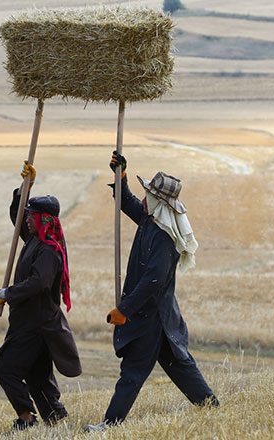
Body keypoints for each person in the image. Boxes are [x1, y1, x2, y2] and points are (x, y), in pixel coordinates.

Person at [85, 152, 218, 432]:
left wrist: (124, 310)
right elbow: (128, 204)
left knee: (132, 372)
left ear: (159, 201)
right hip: (157, 315)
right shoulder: (152, 219)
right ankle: (210, 405)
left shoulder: (163, 235)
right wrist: (120, 176)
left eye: (149, 195)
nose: (144, 199)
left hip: (152, 317)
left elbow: (154, 281)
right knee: (179, 365)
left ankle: (109, 424)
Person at [0, 161, 81, 432]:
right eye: (28, 214)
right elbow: (16, 217)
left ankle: (26, 418)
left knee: (5, 368)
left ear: (44, 219)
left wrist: (8, 293)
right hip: (36, 323)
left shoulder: (48, 249)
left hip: (35, 323)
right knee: (37, 374)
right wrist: (24, 188)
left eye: (32, 215)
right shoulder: (35, 238)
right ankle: (55, 418)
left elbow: (40, 283)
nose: (27, 219)